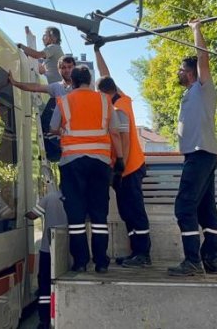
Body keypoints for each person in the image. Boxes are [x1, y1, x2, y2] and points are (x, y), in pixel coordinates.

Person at [49, 66, 122, 273]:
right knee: (99, 214)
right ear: (90, 80)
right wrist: (120, 160)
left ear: (71, 81)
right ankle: (101, 262)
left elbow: (54, 128)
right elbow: (115, 133)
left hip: (72, 162)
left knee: (76, 214)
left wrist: (64, 131)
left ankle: (80, 262)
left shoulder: (63, 101)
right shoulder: (104, 101)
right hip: (100, 162)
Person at [168, 20, 217, 277]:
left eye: (180, 69)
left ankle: (192, 261)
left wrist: (195, 29)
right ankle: (211, 260)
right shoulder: (190, 93)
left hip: (201, 153)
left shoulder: (203, 88)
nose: (177, 72)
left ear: (190, 72)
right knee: (205, 209)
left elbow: (203, 57)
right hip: (201, 153)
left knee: (184, 206)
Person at [94, 45, 151, 268]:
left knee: (135, 212)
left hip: (130, 167)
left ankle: (143, 254)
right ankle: (136, 253)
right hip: (130, 167)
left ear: (104, 94)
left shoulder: (118, 109)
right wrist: (97, 51)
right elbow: (105, 75)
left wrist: (121, 167)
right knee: (128, 212)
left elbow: (125, 140)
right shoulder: (122, 98)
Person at [9, 55, 76, 161]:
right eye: (63, 67)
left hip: (76, 137)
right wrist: (15, 83)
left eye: (69, 67)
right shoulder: (57, 87)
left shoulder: (82, 88)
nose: (67, 70)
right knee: (53, 102)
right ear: (59, 70)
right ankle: (49, 144)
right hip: (58, 137)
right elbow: (36, 87)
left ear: (74, 68)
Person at [25, 187, 68, 329]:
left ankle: (44, 320)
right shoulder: (75, 198)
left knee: (44, 284)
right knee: (62, 282)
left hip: (47, 249)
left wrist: (20, 212)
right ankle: (62, 315)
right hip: (66, 249)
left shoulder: (50, 197)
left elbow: (32, 215)